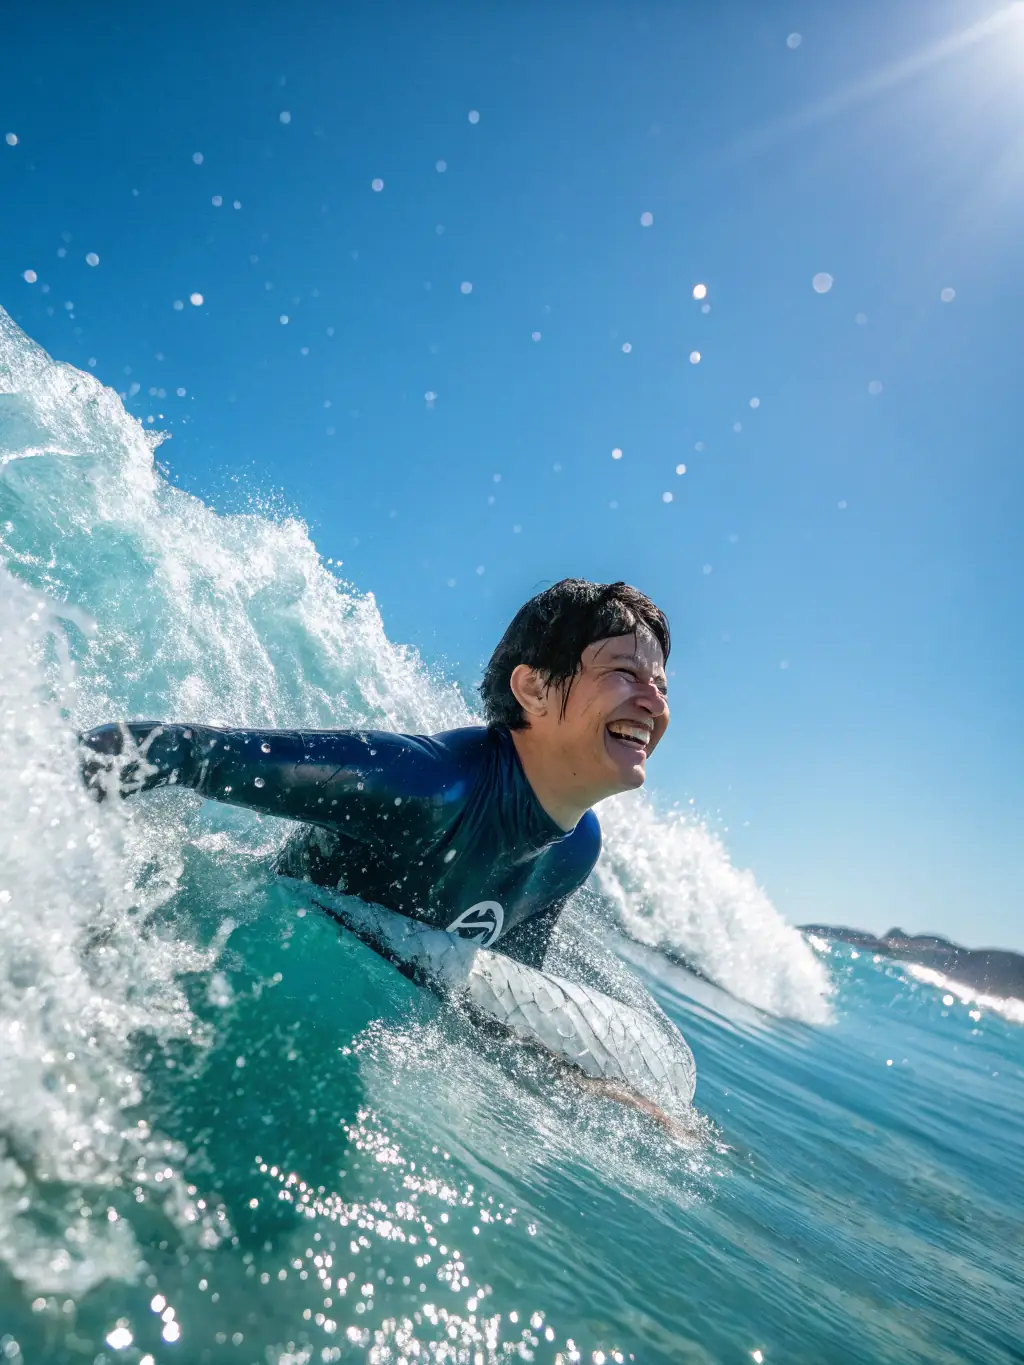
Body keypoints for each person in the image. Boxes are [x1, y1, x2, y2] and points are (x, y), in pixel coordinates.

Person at [80, 578, 671, 971]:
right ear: (535, 688)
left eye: (661, 685)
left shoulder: (575, 848)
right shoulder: (429, 786)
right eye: (625, 672)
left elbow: (504, 994)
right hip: (211, 960)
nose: (653, 702)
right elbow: (181, 750)